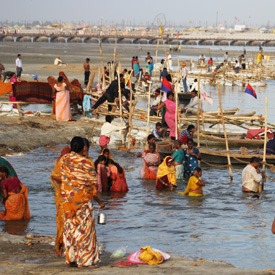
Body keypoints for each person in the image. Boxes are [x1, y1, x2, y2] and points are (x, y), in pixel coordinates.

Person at [61, 136, 105, 268]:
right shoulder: (86, 162)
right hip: (83, 202)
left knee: (70, 229)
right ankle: (86, 261)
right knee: (85, 232)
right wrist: (100, 202)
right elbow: (93, 186)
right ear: (83, 147)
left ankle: (71, 259)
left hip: (68, 201)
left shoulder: (64, 159)